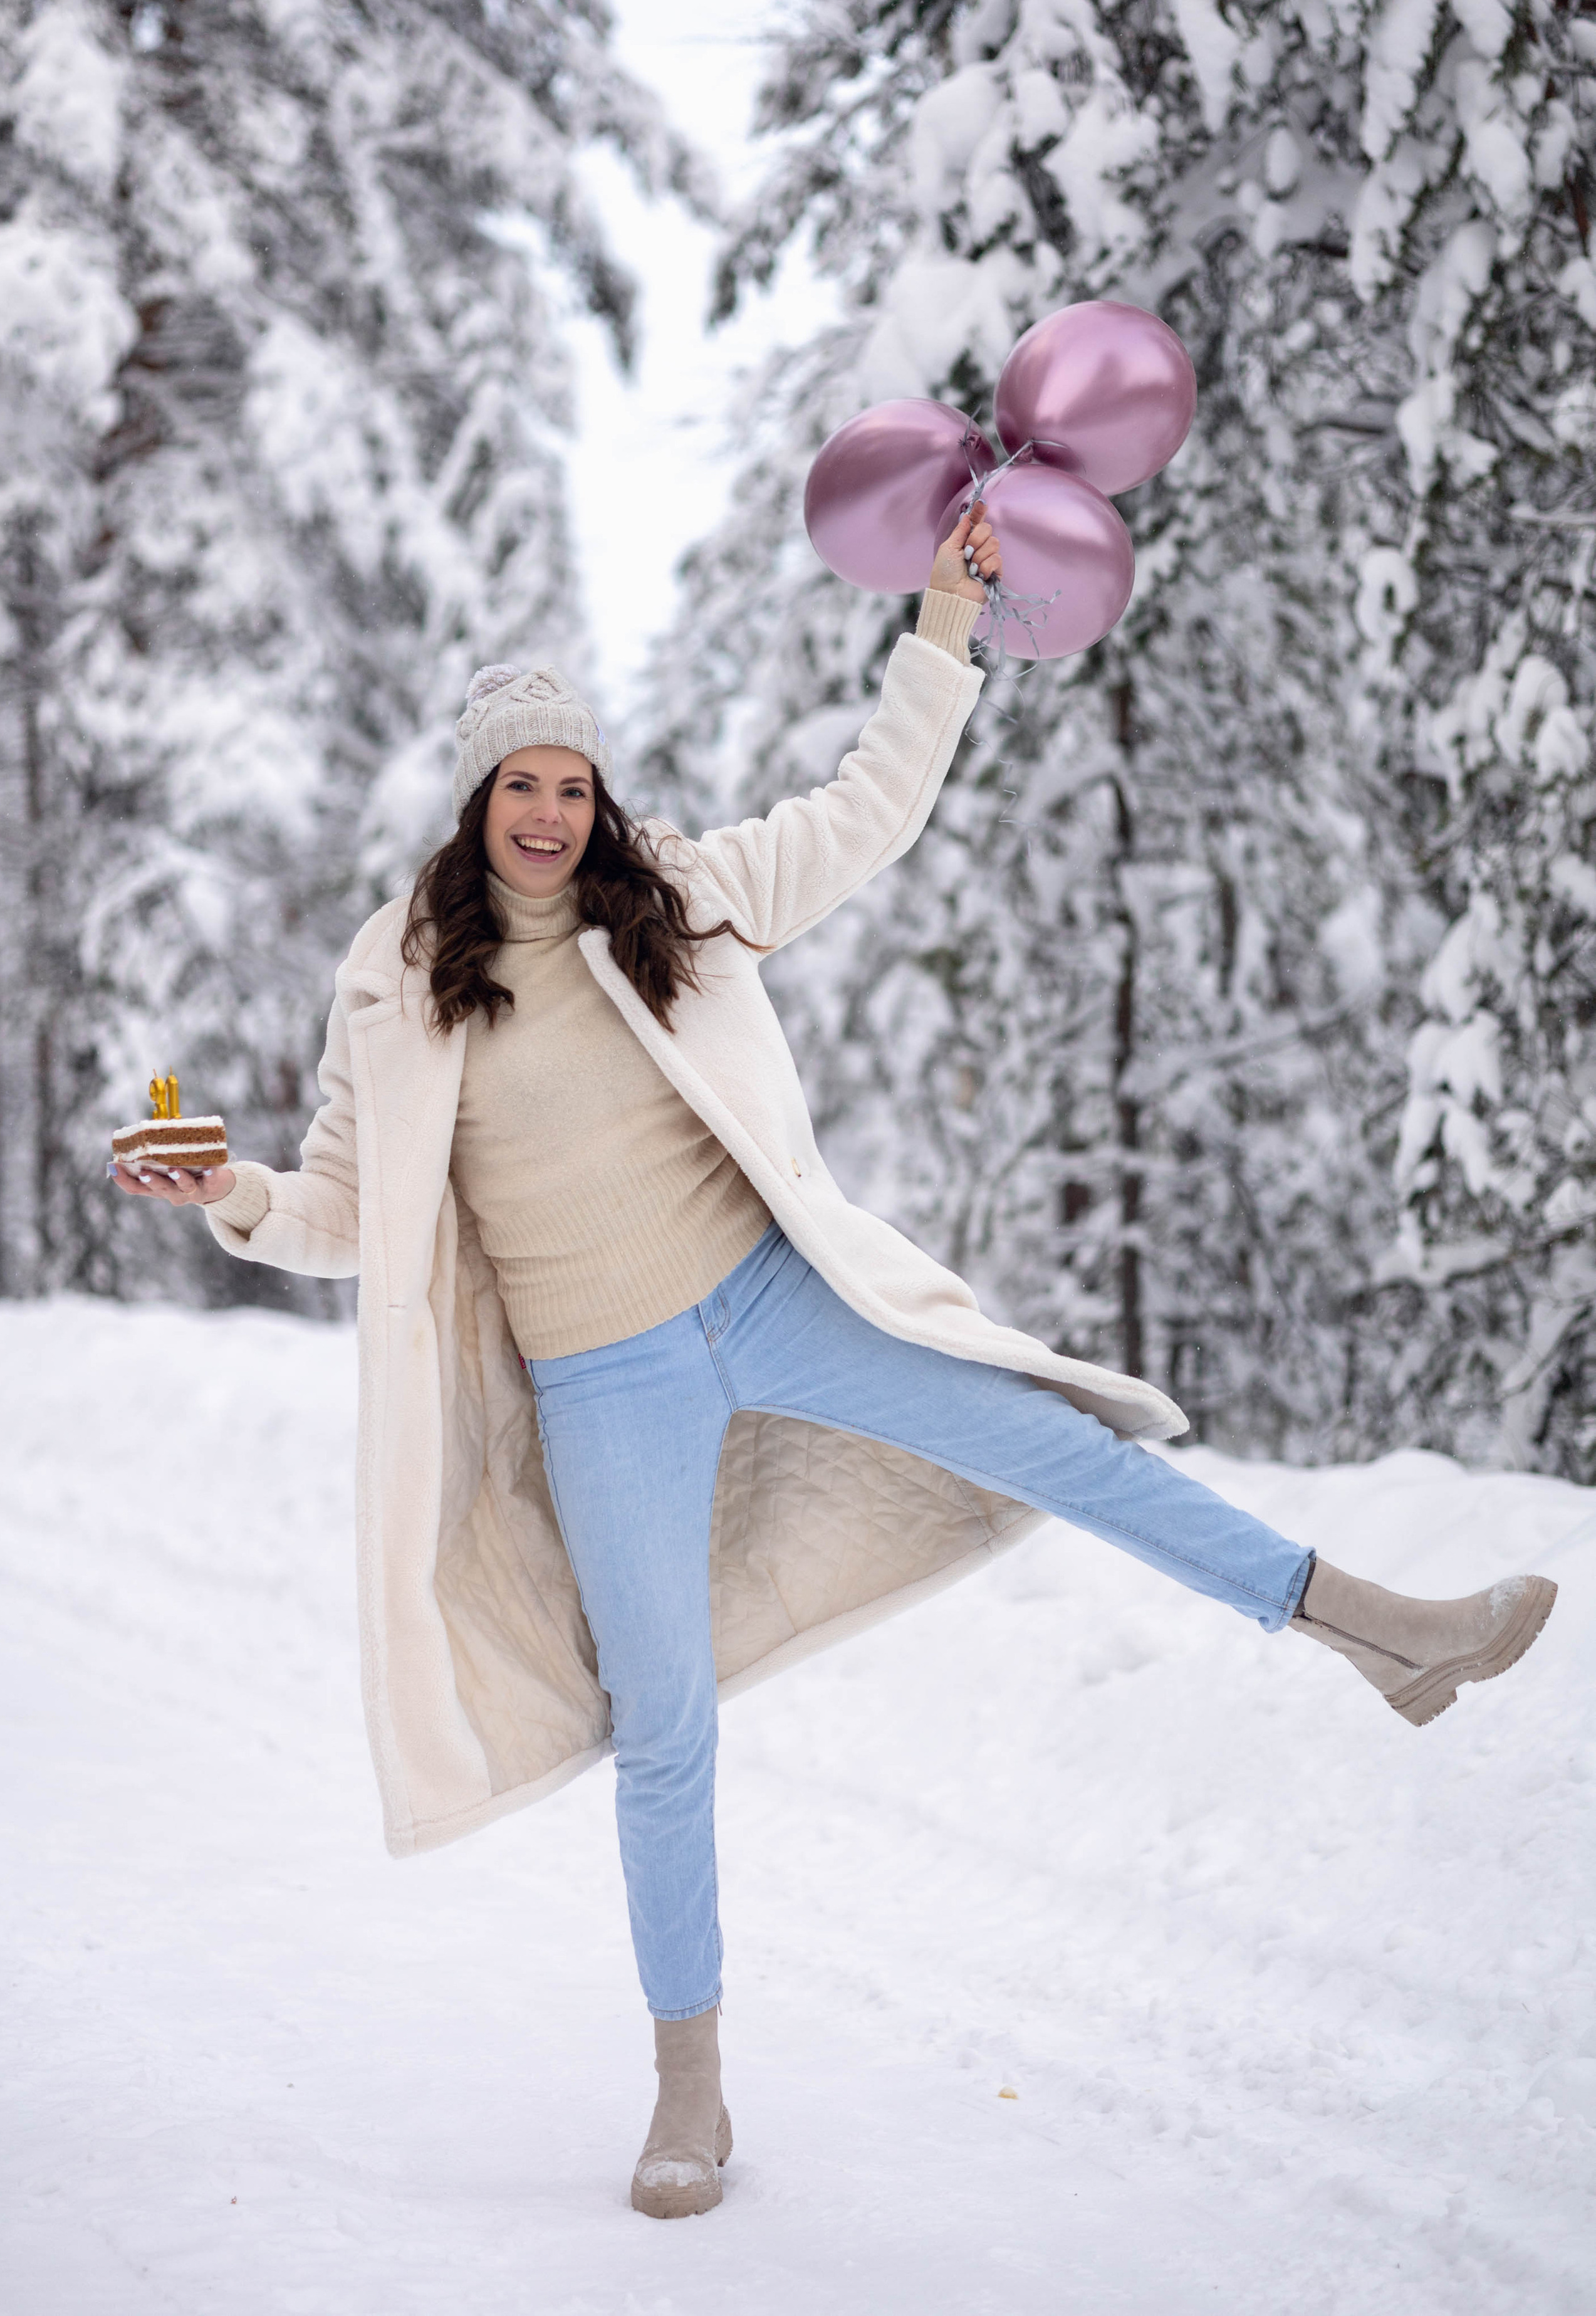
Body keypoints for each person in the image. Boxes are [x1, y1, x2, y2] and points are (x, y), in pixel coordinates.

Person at [113, 510, 1557, 2221]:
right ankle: (690, 2096)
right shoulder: (402, 983)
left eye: (572, 785)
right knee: (666, 1728)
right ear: (473, 803)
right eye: (521, 787)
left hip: (771, 1296)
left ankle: (1372, 1628)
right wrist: (242, 1195)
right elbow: (349, 1206)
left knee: (1050, 1441)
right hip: (603, 1386)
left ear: (596, 799)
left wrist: (944, 619)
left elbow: (870, 808)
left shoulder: (686, 902)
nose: (550, 814)